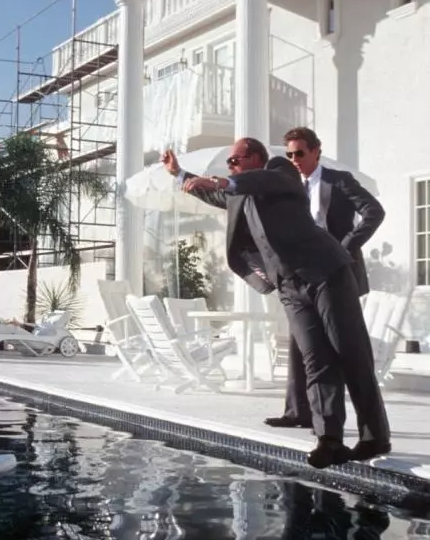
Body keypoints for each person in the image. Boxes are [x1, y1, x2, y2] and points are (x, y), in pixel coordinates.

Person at [161, 138, 391, 469]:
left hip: (325, 273)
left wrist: (222, 182)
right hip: (289, 286)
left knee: (349, 352)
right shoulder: (239, 195)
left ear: (256, 158)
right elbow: (211, 193)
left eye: (235, 160)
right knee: (315, 359)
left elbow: (257, 180)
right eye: (229, 163)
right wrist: (179, 173)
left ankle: (374, 436)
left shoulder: (281, 173)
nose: (230, 166)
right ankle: (329, 439)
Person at [265, 127, 385, 430]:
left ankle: (366, 426)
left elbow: (374, 211)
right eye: (289, 155)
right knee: (300, 343)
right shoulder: (289, 187)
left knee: (344, 347)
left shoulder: (338, 180)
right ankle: (298, 411)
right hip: (301, 276)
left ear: (316, 151)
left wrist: (345, 247)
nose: (294, 160)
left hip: (336, 273)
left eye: (299, 153)